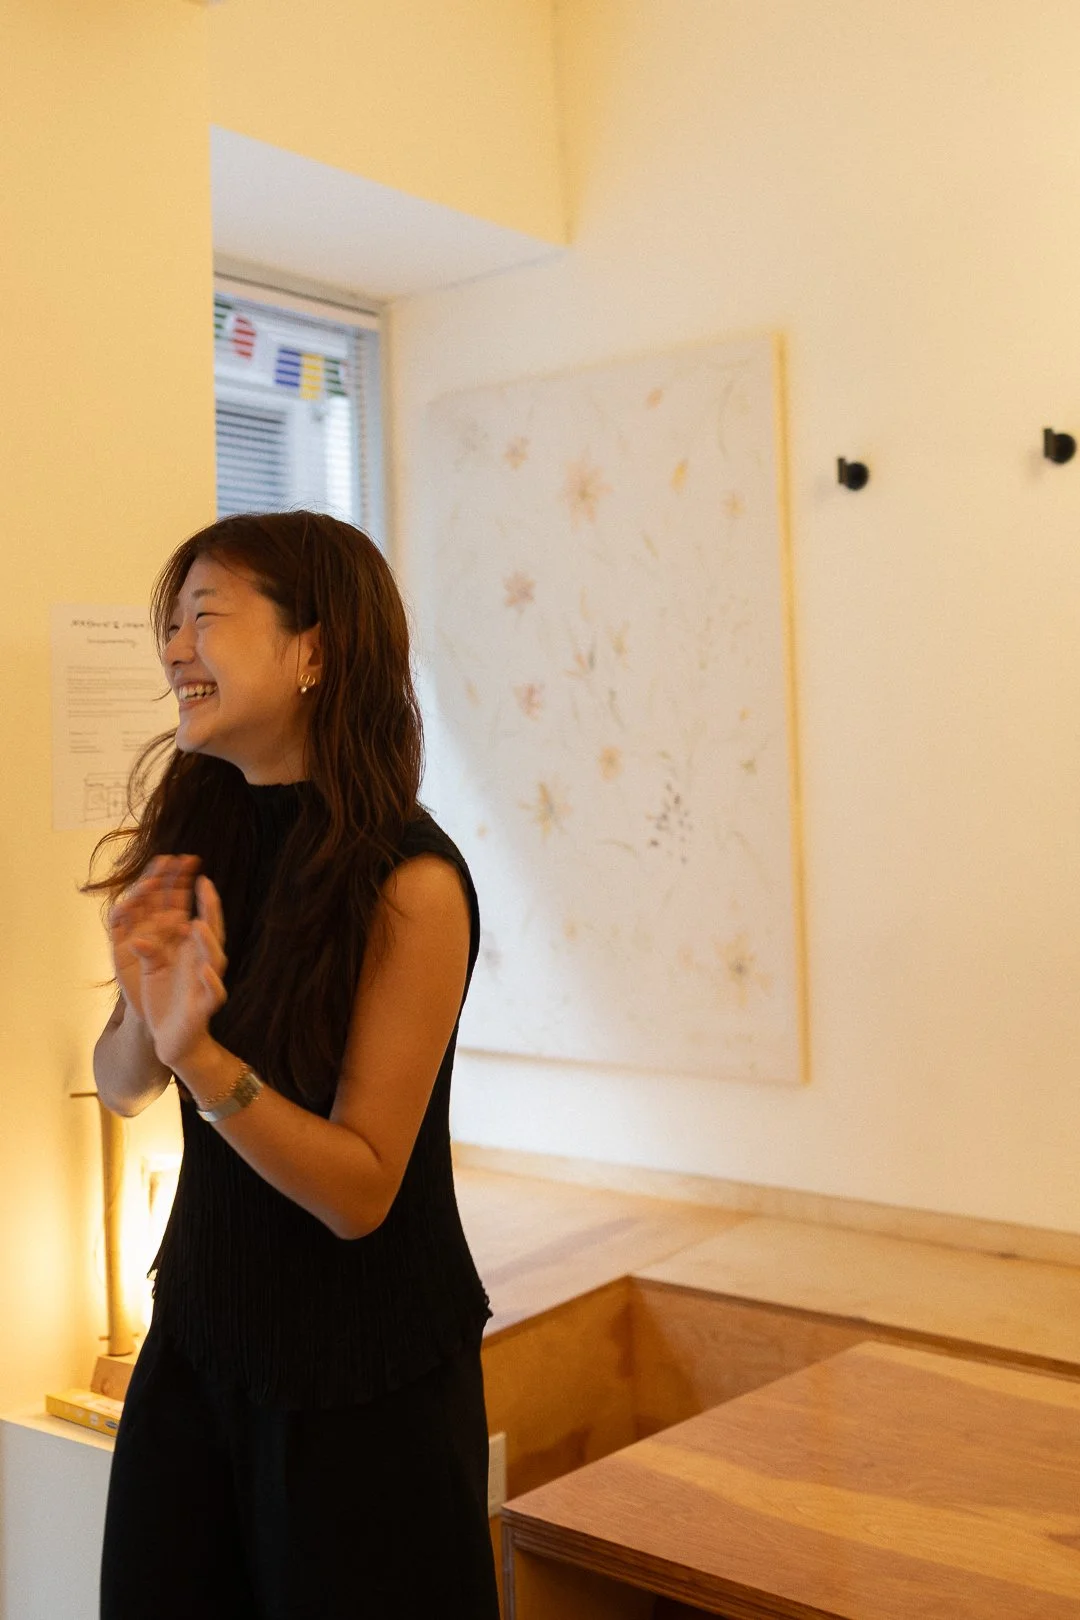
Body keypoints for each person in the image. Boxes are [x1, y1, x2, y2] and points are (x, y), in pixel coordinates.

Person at [86, 511, 501, 1620]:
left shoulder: (412, 882)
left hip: (365, 1381)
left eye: (206, 618)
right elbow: (123, 1082)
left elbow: (362, 1191)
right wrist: (142, 1006)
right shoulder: (195, 838)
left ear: (314, 651)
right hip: (203, 1342)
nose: (175, 648)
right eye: (170, 624)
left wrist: (201, 1056)